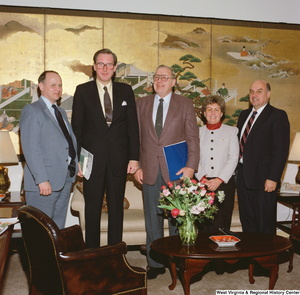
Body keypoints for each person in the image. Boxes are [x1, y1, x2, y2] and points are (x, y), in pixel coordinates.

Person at [134, 65, 200, 279]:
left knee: (177, 220)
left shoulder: (185, 104)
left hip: (177, 170)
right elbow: (137, 138)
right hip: (149, 170)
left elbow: (192, 138)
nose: (159, 80)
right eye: (156, 77)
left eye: (165, 77)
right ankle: (154, 264)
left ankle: (178, 263)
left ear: (173, 82)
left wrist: (191, 166)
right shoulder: (141, 104)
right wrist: (136, 165)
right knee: (152, 220)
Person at [71, 48, 139, 248]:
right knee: (92, 210)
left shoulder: (126, 91)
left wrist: (134, 158)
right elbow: (77, 129)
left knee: (116, 210)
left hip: (119, 161)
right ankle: (93, 256)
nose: (105, 68)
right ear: (94, 66)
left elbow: (132, 128)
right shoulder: (82, 91)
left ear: (115, 67)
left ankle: (114, 256)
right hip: (91, 162)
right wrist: (77, 162)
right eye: (100, 64)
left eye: (109, 64)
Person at [20, 70, 79, 229]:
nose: (58, 89)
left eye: (60, 85)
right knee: (40, 233)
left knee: (57, 232)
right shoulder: (32, 110)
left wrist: (76, 164)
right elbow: (31, 149)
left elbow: (68, 142)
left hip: (65, 180)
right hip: (44, 184)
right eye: (53, 85)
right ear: (41, 86)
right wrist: (41, 180)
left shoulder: (59, 111)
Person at [237, 80, 290, 235]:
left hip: (263, 181)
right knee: (247, 222)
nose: (254, 95)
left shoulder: (277, 116)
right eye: (252, 91)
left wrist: (273, 178)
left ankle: (266, 258)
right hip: (242, 179)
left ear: (268, 94)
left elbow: (280, 150)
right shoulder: (244, 115)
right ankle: (250, 257)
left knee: (263, 225)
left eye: (259, 91)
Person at [195, 95, 239, 232]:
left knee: (222, 224)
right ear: (204, 113)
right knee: (203, 224)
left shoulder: (231, 131)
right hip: (202, 184)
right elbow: (194, 157)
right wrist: (203, 178)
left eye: (216, 109)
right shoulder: (197, 133)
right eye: (209, 109)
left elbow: (234, 158)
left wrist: (219, 180)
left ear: (222, 113)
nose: (213, 113)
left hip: (224, 184)